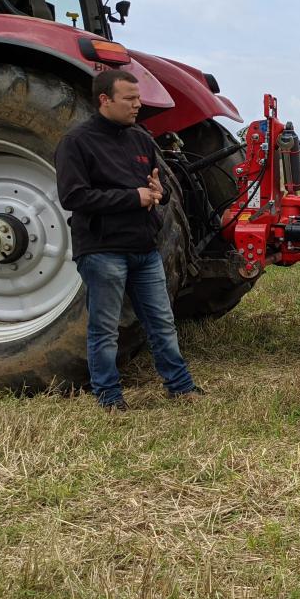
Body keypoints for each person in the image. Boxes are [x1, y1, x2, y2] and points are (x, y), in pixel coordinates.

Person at [55, 69, 203, 411]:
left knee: (162, 322)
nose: (138, 105)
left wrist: (159, 194)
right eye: (130, 99)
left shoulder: (139, 139)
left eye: (138, 98)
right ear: (105, 100)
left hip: (144, 248)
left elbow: (154, 189)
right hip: (103, 250)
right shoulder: (76, 142)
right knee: (105, 330)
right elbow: (74, 197)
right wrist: (132, 198)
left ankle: (181, 387)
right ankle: (109, 398)